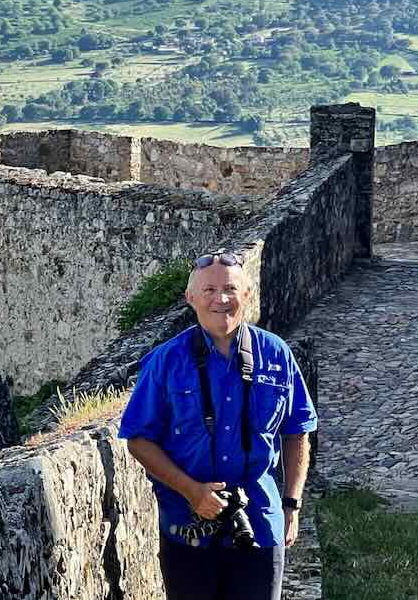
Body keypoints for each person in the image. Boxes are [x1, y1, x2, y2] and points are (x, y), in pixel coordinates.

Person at [119, 250, 317, 600]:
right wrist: (192, 491)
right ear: (190, 298)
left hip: (259, 522)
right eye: (209, 290)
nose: (220, 299)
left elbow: (297, 431)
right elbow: (138, 439)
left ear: (247, 294)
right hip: (188, 528)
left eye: (230, 289)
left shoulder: (276, 354)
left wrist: (292, 505)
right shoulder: (166, 361)